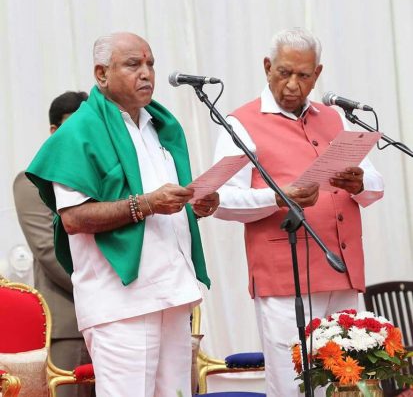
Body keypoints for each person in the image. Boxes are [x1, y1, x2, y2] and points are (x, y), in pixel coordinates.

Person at [26, 32, 219, 397]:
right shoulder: (79, 132)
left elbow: (163, 203)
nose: (146, 73)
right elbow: (73, 218)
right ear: (101, 74)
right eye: (133, 64)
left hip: (173, 293)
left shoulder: (160, 126)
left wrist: (193, 205)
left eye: (150, 64)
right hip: (121, 304)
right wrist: (147, 204)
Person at [213, 27, 384, 397]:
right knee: (295, 386)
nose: (293, 84)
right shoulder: (240, 122)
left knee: (345, 383)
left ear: (317, 74)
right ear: (267, 66)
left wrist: (358, 183)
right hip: (285, 277)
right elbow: (221, 200)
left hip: (342, 269)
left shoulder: (335, 117)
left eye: (304, 75)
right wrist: (278, 198)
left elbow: (375, 184)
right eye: (284, 72)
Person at [13, 91, 94, 397]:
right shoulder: (31, 181)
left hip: (114, 319)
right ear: (54, 131)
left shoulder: (100, 178)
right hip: (70, 326)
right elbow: (48, 251)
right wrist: (103, 285)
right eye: (74, 126)